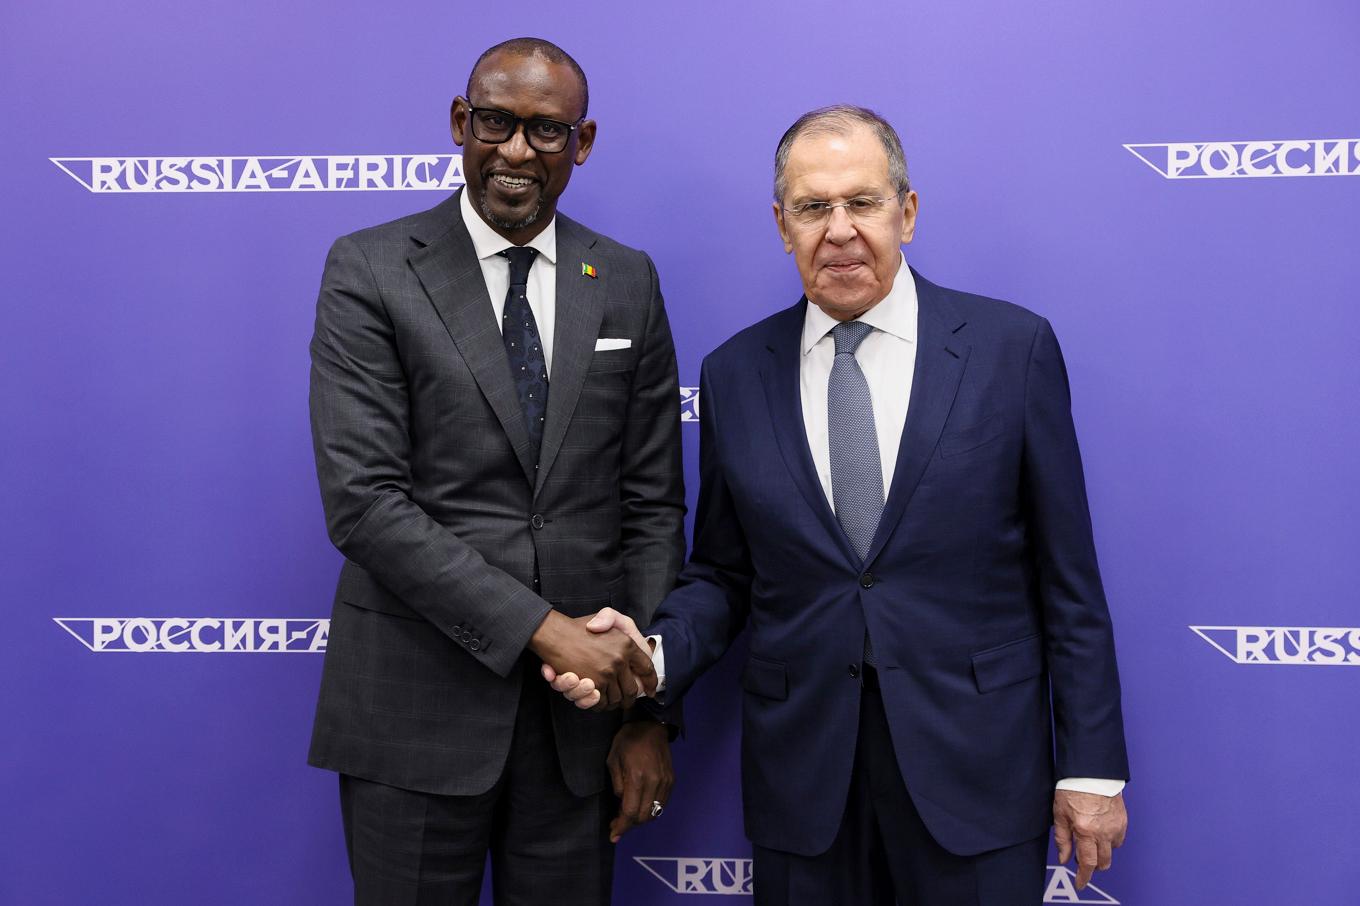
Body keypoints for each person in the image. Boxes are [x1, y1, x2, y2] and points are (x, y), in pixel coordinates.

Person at [548, 105, 1130, 905]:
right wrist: (652, 656)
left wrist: (1091, 769)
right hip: (805, 788)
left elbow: (1069, 580)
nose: (841, 229)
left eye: (863, 202)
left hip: (978, 779)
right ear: (781, 225)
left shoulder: (1011, 349)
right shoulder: (735, 373)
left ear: (909, 212)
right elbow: (724, 572)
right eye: (813, 207)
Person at [306, 37, 685, 905]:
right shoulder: (369, 269)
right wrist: (542, 627)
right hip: (413, 714)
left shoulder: (626, 279)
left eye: (546, 132)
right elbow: (364, 504)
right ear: (458, 123)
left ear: (581, 144)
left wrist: (646, 710)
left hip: (578, 730)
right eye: (495, 123)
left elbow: (654, 505)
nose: (516, 151)